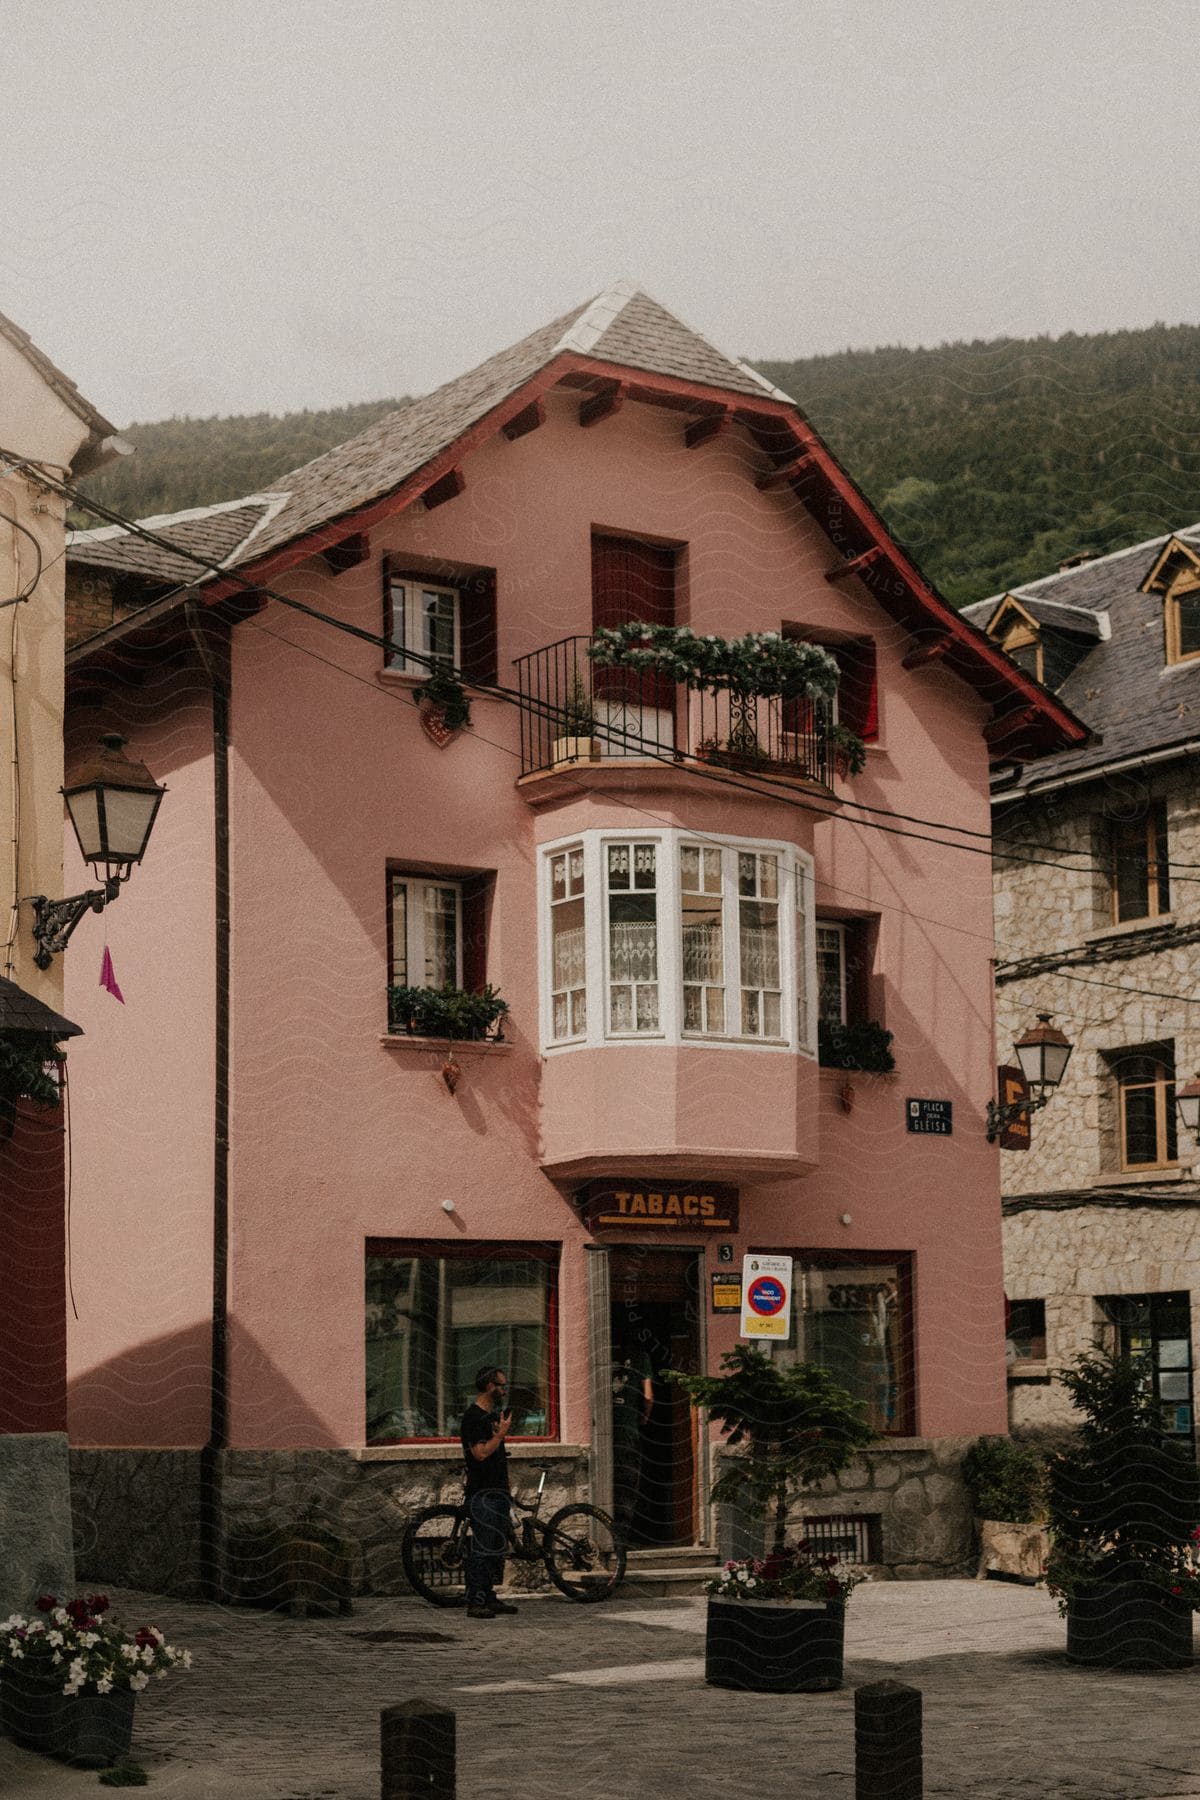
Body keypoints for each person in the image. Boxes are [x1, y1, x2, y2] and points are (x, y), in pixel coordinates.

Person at [460, 1364, 518, 1619]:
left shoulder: (493, 1416)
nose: (505, 1390)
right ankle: (475, 1601)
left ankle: (489, 1595)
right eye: (501, 1385)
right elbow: (480, 1453)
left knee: (496, 1547)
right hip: (482, 1493)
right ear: (489, 1386)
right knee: (483, 1548)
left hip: (498, 1490)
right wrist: (500, 1436)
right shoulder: (473, 1418)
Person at [611, 1338, 654, 1539]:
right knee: (627, 1486)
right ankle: (622, 1536)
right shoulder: (641, 1358)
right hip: (628, 1433)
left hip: (607, 1434)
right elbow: (648, 1396)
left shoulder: (607, 1352)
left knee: (609, 1486)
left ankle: (608, 1535)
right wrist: (644, 1417)